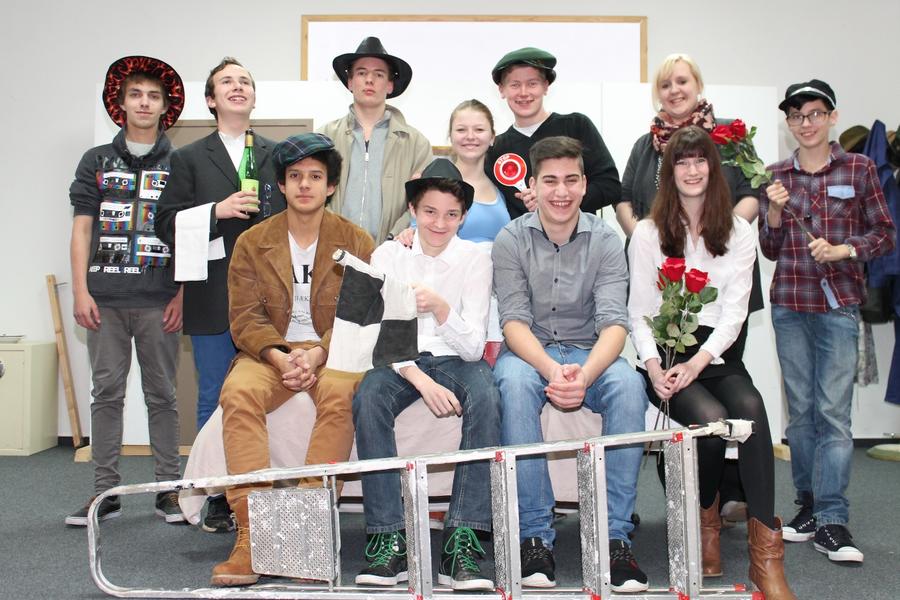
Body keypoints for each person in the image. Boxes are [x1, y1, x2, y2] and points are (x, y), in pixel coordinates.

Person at [628, 126, 796, 599]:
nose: (692, 169)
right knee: (710, 417)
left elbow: (734, 312)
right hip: (665, 354)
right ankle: (706, 526)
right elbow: (638, 311)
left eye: (700, 160)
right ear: (669, 172)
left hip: (716, 354)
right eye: (682, 161)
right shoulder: (648, 233)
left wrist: (698, 362)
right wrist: (654, 367)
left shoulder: (738, 231)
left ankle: (767, 558)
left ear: (713, 168)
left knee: (753, 411)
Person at [210, 133, 374, 587]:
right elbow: (244, 317)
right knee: (238, 393)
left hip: (334, 349)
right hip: (269, 351)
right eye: (295, 176)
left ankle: (308, 532)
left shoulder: (357, 240)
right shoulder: (252, 241)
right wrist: (281, 356)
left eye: (315, 177)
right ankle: (252, 536)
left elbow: (361, 311)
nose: (305, 185)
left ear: (331, 186)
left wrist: (319, 351)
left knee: (341, 393)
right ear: (281, 185)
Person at [492, 136, 648, 593]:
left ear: (583, 184)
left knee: (629, 386)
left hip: (589, 352)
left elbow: (614, 323)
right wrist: (549, 370)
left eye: (571, 180)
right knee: (512, 383)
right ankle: (534, 538)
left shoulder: (606, 240)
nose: (561, 192)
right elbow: (513, 321)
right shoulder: (510, 239)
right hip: (531, 351)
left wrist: (584, 375)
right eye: (550, 181)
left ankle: (614, 537)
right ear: (533, 185)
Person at [615, 52, 760, 522]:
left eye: (682, 81)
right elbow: (624, 197)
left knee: (740, 406)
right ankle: (697, 513)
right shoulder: (646, 145)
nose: (675, 90)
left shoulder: (731, 136)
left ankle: (735, 509)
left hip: (720, 294)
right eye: (666, 84)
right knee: (704, 416)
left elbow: (752, 193)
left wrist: (716, 232)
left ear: (698, 85)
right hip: (666, 302)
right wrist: (652, 235)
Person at [760, 80, 895, 564]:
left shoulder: (859, 168)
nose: (806, 123)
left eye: (815, 114)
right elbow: (769, 249)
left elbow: (886, 234)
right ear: (789, 123)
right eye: (797, 116)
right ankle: (809, 506)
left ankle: (833, 518)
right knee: (801, 413)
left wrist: (845, 250)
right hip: (790, 306)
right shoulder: (776, 175)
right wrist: (775, 213)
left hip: (838, 306)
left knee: (833, 413)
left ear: (832, 117)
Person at [352, 160, 499, 591]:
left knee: (488, 397)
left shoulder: (476, 258)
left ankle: (461, 541)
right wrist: (420, 380)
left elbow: (473, 347)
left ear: (464, 217)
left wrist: (440, 307)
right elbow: (377, 335)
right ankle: (388, 538)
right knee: (369, 397)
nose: (440, 223)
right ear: (413, 210)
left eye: (452, 214)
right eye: (430, 211)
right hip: (401, 360)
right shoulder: (388, 255)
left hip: (457, 358)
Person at [155, 57, 286, 533]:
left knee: (270, 392)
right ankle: (215, 495)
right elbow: (164, 223)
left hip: (271, 298)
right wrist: (216, 211)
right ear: (211, 99)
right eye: (227, 82)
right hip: (213, 294)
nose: (237, 87)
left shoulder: (278, 155)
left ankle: (261, 488)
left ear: (254, 97)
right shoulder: (188, 157)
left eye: (245, 81)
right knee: (213, 392)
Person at [65, 55, 185, 527]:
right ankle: (105, 493)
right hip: (105, 300)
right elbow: (81, 229)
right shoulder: (95, 160)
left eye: (153, 96)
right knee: (106, 395)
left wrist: (182, 294)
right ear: (121, 102)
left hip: (160, 299)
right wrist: (80, 291)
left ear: (166, 106)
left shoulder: (181, 162)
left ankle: (168, 490)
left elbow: (190, 235)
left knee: (163, 396)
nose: (144, 103)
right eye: (136, 94)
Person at [319, 36, 432, 244]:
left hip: (393, 249)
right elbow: (313, 194)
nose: (369, 80)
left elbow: (423, 201)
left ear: (390, 85)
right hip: (332, 248)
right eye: (361, 73)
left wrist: (392, 240)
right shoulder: (324, 138)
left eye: (379, 74)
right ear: (350, 82)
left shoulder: (416, 144)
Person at [485, 47, 620, 219]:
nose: (524, 93)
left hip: (581, 234)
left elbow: (610, 186)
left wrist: (559, 201)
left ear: (546, 86)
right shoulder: (496, 149)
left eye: (532, 83)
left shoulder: (576, 126)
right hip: (524, 236)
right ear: (502, 90)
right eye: (515, 85)